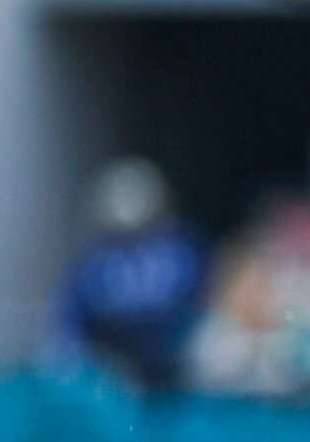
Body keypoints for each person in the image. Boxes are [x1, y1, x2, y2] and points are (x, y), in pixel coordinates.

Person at [52, 158, 205, 391]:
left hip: (177, 364)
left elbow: (204, 302)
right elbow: (71, 320)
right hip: (116, 370)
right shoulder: (95, 259)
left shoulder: (184, 249)